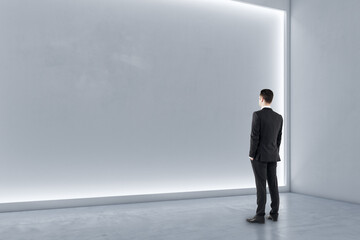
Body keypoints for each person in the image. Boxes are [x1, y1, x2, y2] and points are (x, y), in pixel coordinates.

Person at [246, 89, 283, 224]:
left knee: (260, 185)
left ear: (261, 99)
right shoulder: (279, 117)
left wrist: (251, 154)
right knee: (273, 184)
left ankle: (260, 215)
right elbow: (279, 138)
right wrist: (275, 152)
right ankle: (274, 213)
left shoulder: (257, 115)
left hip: (259, 156)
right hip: (273, 155)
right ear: (271, 99)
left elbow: (254, 136)